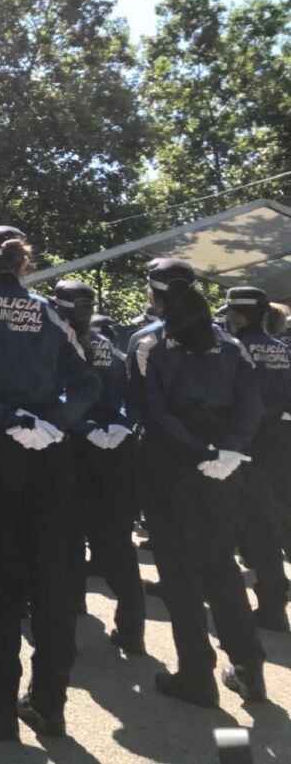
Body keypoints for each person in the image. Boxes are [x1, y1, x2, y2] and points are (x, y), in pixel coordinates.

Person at [0, 226, 100, 740]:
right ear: (22, 265)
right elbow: (87, 379)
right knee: (53, 580)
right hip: (50, 456)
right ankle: (50, 705)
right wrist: (55, 420)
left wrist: (9, 418)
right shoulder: (52, 312)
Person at [133, 278, 268, 706]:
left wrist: (199, 449)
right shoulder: (231, 346)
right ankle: (248, 666)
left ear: (158, 299)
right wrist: (228, 450)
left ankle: (196, 674)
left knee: (180, 574)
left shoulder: (148, 345)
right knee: (221, 566)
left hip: (171, 469)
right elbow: (252, 406)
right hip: (222, 472)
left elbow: (150, 411)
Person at [52, 281, 146, 654]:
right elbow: (129, 396)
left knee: (68, 532)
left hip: (73, 446)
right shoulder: (111, 348)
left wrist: (85, 428)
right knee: (117, 540)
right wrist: (119, 426)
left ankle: (74, 602)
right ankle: (131, 627)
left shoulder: (55, 344)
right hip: (116, 449)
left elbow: (58, 396)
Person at [220, 287, 290, 633]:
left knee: (246, 524)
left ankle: (270, 605)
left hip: (245, 443)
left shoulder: (233, 350)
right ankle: (275, 598)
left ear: (237, 315)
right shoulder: (283, 349)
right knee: (273, 518)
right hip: (281, 442)